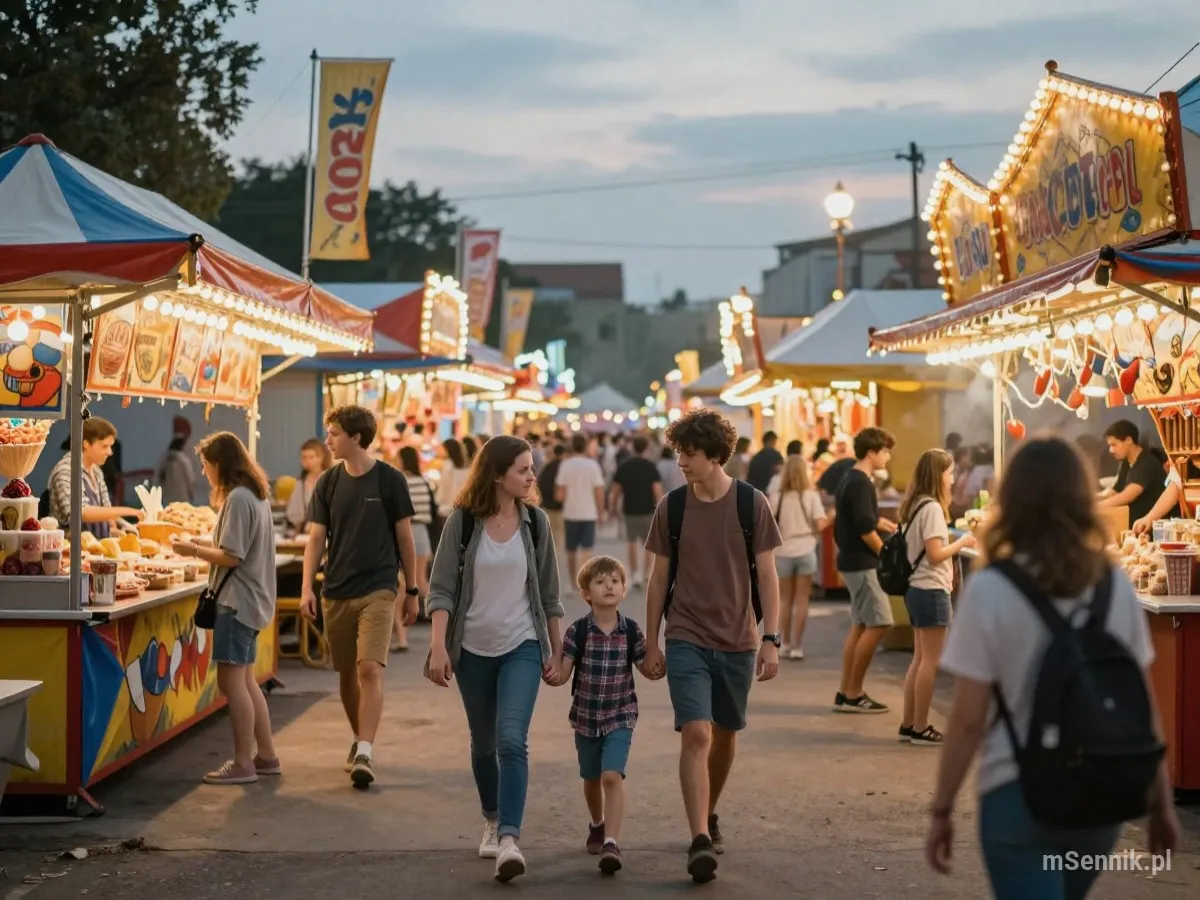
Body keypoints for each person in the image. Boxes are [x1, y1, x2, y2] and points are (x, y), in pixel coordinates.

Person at [926, 437, 1179, 898]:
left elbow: (966, 719)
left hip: (1015, 794)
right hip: (1098, 799)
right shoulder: (1113, 587)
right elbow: (1141, 703)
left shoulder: (990, 588)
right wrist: (1160, 805)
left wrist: (942, 809)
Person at [643, 408, 782, 884]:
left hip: (739, 639)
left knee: (725, 734)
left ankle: (710, 811)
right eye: (678, 451)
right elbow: (659, 577)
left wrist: (772, 639)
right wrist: (651, 642)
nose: (681, 460)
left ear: (716, 455)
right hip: (686, 634)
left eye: (690, 452)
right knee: (697, 733)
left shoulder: (751, 503)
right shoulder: (672, 507)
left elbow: (767, 574)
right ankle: (699, 836)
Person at [425, 436, 564, 883]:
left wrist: (556, 650)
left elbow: (549, 595)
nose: (531, 476)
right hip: (471, 649)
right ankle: (491, 815)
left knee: (511, 739)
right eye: (523, 469)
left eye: (532, 468)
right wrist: (438, 645)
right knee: (483, 742)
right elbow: (442, 587)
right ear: (497, 473)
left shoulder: (536, 523)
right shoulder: (463, 523)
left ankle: (509, 837)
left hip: (522, 644)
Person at [300, 406, 419, 790]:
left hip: (380, 587)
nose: (328, 440)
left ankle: (365, 750)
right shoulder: (328, 483)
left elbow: (406, 539)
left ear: (355, 438)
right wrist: (306, 588)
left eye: (334, 433)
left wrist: (412, 590)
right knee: (347, 673)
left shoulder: (390, 480)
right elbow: (316, 538)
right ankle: (359, 737)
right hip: (336, 589)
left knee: (370, 669)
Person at [171, 432, 279, 784]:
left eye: (205, 465)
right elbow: (232, 544)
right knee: (247, 683)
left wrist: (193, 551)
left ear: (220, 464)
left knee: (233, 685)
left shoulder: (237, 499)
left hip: (236, 603)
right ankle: (265, 756)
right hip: (252, 601)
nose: (203, 473)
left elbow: (232, 555)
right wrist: (198, 542)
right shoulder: (255, 496)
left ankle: (243, 763)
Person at [556, 556, 651, 875]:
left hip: (620, 715)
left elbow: (647, 667)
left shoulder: (631, 631)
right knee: (591, 777)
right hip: (585, 716)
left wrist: (663, 664)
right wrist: (551, 672)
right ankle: (596, 824)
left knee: (612, 775)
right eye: (600, 581)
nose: (609, 585)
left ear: (624, 590)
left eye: (615, 581)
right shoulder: (577, 631)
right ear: (586, 593)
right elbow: (563, 672)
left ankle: (611, 841)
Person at [898, 449, 976, 746]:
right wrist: (962, 543)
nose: (953, 478)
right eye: (949, 472)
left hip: (917, 589)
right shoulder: (931, 508)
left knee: (919, 660)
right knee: (930, 661)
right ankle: (920, 726)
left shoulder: (915, 505)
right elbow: (934, 554)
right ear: (937, 475)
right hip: (930, 589)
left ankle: (909, 723)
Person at [833, 426, 898, 714]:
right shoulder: (861, 482)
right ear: (872, 452)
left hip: (851, 561)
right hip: (862, 562)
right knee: (879, 623)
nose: (888, 456)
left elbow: (861, 520)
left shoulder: (851, 477)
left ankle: (846, 690)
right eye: (885, 451)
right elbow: (862, 529)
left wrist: (879, 523)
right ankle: (853, 693)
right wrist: (885, 553)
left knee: (861, 624)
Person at [768, 455, 828, 660]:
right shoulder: (810, 496)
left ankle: (782, 644)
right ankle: (797, 646)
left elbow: (768, 525)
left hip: (783, 551)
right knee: (802, 600)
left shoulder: (776, 497)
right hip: (806, 550)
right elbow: (820, 524)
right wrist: (832, 516)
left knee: (784, 600)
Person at [47, 417, 143, 537]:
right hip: (73, 551)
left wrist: (121, 528)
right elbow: (81, 512)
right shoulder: (67, 471)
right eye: (104, 446)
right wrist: (131, 511)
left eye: (110, 446)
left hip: (96, 551)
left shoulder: (96, 471)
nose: (110, 452)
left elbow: (107, 511)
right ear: (86, 444)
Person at [395, 446, 436, 649]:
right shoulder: (423, 481)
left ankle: (402, 637)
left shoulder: (401, 481)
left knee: (401, 586)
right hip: (423, 534)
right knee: (420, 581)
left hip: (406, 532)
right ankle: (446, 621)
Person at [609, 435, 662, 589]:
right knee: (648, 545)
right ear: (646, 448)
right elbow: (657, 491)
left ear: (633, 448)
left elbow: (615, 491)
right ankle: (646, 574)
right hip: (648, 510)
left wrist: (613, 508)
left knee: (631, 541)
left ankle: (634, 574)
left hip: (630, 509)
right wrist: (661, 508)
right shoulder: (651, 466)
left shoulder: (625, 466)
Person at [556, 434, 606, 575]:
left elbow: (560, 495)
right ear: (585, 446)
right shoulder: (593, 465)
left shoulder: (565, 465)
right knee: (586, 549)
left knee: (571, 549)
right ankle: (582, 580)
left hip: (570, 513)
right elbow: (599, 492)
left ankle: (572, 582)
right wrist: (601, 512)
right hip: (589, 513)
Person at [1099, 420, 1166, 527]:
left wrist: (1095, 507)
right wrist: (1091, 499)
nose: (1111, 450)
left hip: (1152, 526)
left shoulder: (1147, 462)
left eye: (1114, 445)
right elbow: (1116, 490)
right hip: (1134, 525)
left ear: (1129, 440)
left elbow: (1128, 496)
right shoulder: (1126, 462)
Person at [285, 438, 333, 535]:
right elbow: (295, 513)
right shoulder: (301, 483)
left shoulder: (330, 480)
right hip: (305, 533)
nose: (307, 461)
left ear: (321, 457)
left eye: (311, 457)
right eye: (304, 458)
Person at [536, 443, 568, 569]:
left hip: (547, 505)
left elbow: (539, 483)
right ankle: (554, 561)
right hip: (560, 507)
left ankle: (549, 559)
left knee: (550, 535)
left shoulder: (547, 467)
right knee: (558, 535)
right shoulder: (564, 467)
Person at [156, 416, 195, 505]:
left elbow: (157, 479)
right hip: (182, 501)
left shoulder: (164, 458)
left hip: (167, 500)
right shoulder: (183, 460)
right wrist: (192, 495)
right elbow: (191, 481)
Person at [436, 438, 471, 518]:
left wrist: (438, 502)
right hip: (461, 507)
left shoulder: (447, 465)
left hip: (446, 508)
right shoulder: (466, 467)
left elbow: (443, 488)